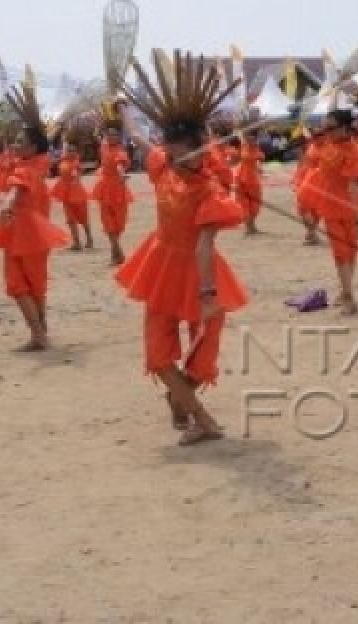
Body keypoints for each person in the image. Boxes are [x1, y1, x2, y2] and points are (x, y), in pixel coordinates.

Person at [114, 51, 248, 446]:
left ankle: (184, 400)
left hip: (198, 270)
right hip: (160, 264)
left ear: (202, 148)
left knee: (205, 341)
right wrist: (123, 110)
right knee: (158, 354)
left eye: (183, 153)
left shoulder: (209, 189)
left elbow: (206, 245)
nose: (175, 160)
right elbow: (140, 139)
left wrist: (208, 292)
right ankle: (200, 417)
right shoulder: (163, 167)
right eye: (170, 153)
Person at [0, 84, 71, 350]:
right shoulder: (40, 162)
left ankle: (38, 334)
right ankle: (40, 330)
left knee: (17, 284)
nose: (15, 145)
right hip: (33, 232)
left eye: (20, 142)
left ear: (33, 146)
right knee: (34, 285)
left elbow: (16, 188)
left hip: (23, 230)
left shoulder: (26, 169)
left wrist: (9, 205)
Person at [307, 108, 358, 314]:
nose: (326, 131)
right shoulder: (329, 144)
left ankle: (347, 294)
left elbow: (352, 188)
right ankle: (348, 294)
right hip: (329, 204)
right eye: (325, 127)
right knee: (340, 254)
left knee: (350, 253)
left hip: (348, 206)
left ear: (344, 127)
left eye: (330, 127)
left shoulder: (354, 152)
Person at [89, 122, 133, 266]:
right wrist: (100, 127)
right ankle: (117, 251)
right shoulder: (104, 146)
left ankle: (115, 252)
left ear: (119, 137)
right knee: (107, 221)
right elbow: (98, 136)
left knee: (118, 223)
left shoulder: (121, 152)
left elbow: (120, 165)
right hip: (105, 188)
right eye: (109, 134)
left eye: (114, 134)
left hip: (118, 189)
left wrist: (121, 174)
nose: (111, 136)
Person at [51, 133, 94, 250]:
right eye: (69, 150)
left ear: (76, 152)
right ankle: (77, 242)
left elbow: (77, 173)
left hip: (77, 194)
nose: (71, 152)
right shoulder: (63, 160)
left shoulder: (75, 162)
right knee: (70, 220)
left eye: (73, 151)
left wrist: (75, 178)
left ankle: (89, 238)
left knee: (83, 219)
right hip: (66, 193)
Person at [233, 128, 264, 235]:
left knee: (255, 204)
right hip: (242, 178)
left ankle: (252, 225)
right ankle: (248, 227)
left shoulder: (256, 148)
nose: (251, 140)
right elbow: (239, 133)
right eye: (249, 138)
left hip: (253, 179)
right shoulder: (244, 145)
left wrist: (259, 167)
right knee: (244, 203)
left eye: (253, 138)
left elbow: (259, 160)